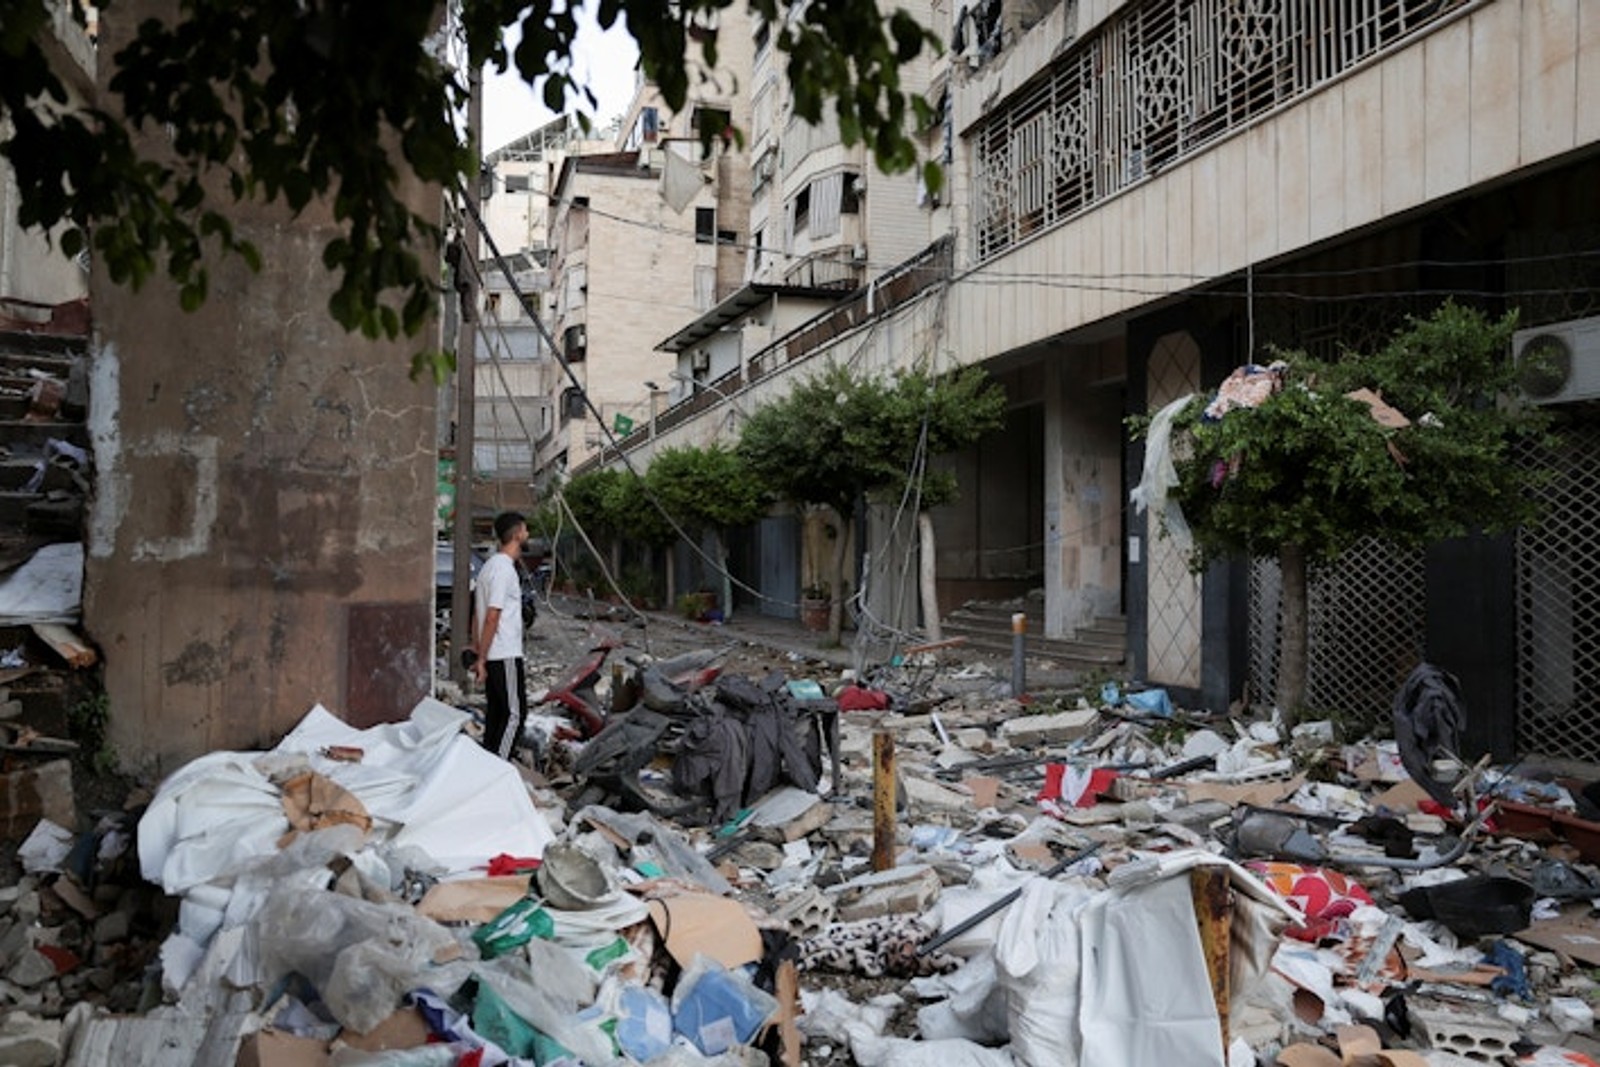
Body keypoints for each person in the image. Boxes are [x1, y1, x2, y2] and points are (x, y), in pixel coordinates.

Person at [472, 511, 530, 760]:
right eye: (525, 530)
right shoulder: (503, 570)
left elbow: (477, 614)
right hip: (503, 652)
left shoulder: (489, 567)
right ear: (517, 534)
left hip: (493, 653)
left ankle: (487, 765)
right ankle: (500, 767)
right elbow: (492, 615)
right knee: (515, 715)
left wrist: (478, 649)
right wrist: (481, 658)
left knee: (497, 714)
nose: (528, 534)